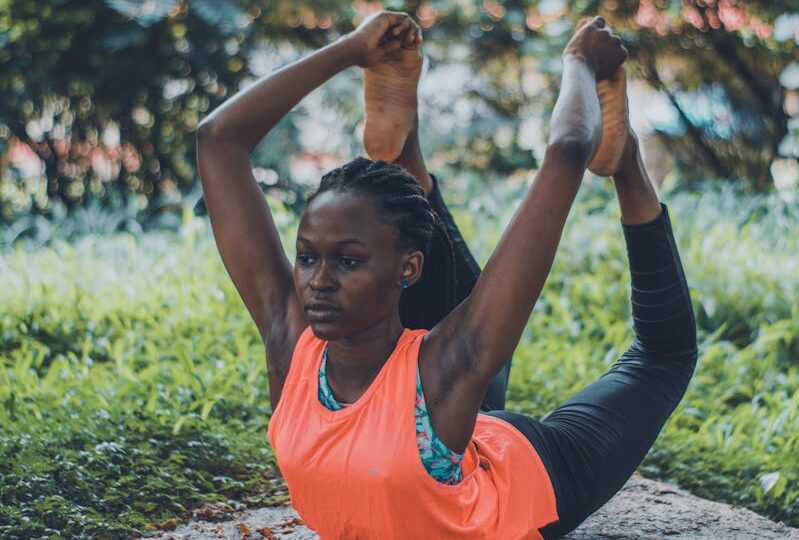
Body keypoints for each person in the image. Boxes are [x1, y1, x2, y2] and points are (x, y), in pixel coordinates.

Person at [196, 10, 696, 540]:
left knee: (662, 358)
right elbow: (216, 140)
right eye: (308, 257)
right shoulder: (294, 347)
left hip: (519, 463)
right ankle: (400, 151)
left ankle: (626, 162)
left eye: (347, 261)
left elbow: (568, 150)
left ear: (411, 268)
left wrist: (580, 62)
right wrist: (350, 47)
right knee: (452, 370)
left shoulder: (444, 366)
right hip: (448, 418)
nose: (318, 281)